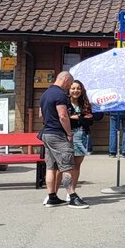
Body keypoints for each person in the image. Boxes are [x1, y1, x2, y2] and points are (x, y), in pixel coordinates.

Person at [38, 72, 81, 209]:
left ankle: (52, 197)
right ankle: (72, 197)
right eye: (70, 83)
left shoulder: (45, 94)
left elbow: (40, 115)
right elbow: (63, 116)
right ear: (66, 79)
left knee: (51, 167)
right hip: (58, 134)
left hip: (47, 133)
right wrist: (68, 133)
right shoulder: (60, 94)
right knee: (67, 165)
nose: (69, 87)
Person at [63, 80, 102, 206]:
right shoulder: (65, 103)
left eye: (78, 88)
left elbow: (91, 120)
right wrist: (80, 118)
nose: (75, 91)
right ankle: (67, 191)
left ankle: (72, 192)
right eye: (73, 88)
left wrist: (78, 118)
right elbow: (64, 119)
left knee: (77, 166)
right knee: (66, 166)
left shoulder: (85, 104)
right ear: (69, 90)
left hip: (82, 136)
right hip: (67, 136)